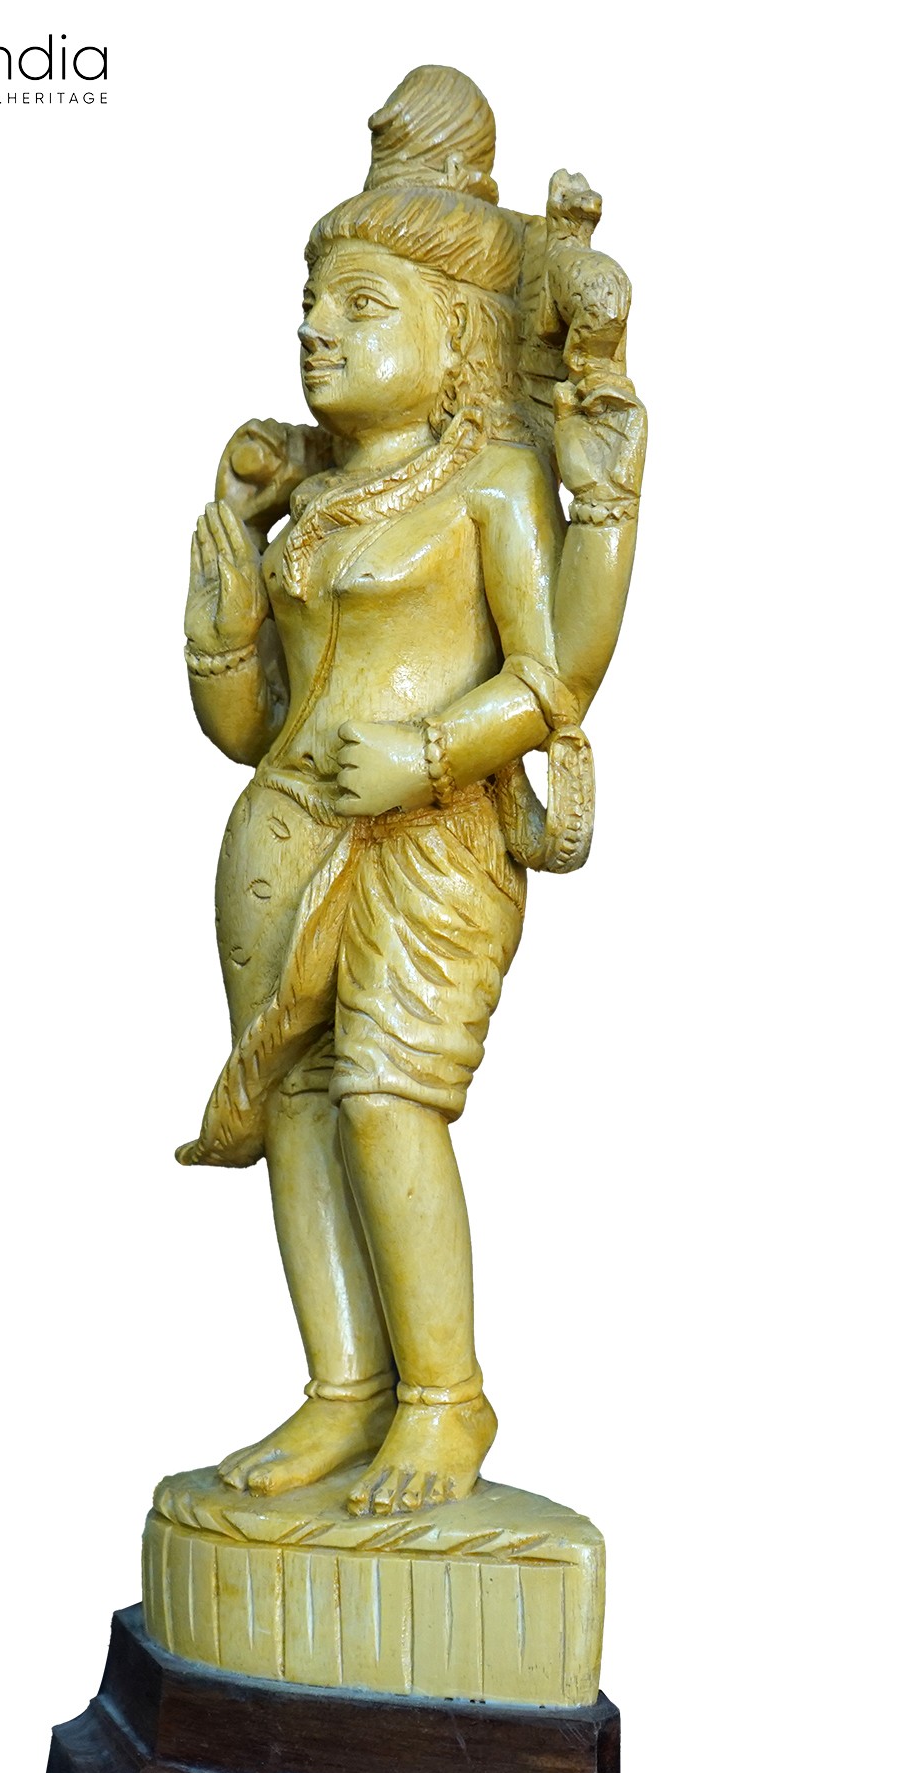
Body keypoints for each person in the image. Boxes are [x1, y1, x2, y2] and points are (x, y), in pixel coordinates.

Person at [178, 67, 644, 1516]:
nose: (318, 331)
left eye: (362, 306)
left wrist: (428, 753)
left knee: (388, 1096)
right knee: (299, 1102)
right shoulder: (312, 504)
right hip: (282, 834)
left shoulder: (492, 482)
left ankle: (444, 1399)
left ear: (456, 338)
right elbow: (245, 725)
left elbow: (555, 678)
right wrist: (223, 584)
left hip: (429, 838)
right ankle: (341, 1390)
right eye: (312, 307)